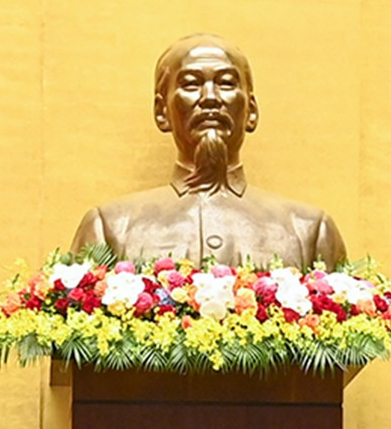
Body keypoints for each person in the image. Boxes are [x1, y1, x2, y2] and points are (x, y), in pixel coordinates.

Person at [71, 34, 347, 269]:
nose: (210, 98)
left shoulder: (308, 230)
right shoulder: (111, 228)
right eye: (190, 84)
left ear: (251, 111)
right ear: (161, 111)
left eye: (226, 83)